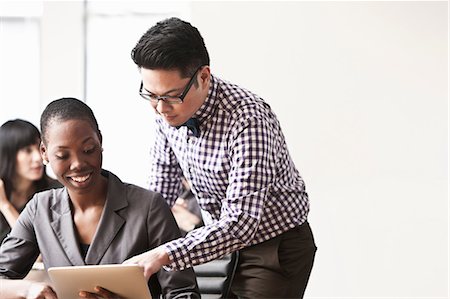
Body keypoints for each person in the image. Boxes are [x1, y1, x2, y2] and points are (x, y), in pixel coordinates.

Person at [125, 17, 317, 298]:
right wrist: (130, 249)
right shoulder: (166, 113)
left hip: (273, 246)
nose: (160, 109)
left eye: (171, 96)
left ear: (203, 76)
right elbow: (161, 193)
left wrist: (166, 253)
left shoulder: (248, 119)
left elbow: (240, 223)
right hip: (218, 242)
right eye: (151, 95)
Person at [0, 98, 200, 299]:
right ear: (44, 153)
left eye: (88, 150)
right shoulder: (39, 208)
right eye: (62, 155)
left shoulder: (148, 207)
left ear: (100, 142)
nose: (78, 164)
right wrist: (27, 289)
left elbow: (184, 294)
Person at [0, 119, 61, 244]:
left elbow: (41, 253)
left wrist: (5, 206)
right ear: (8, 155)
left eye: (39, 148)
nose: (38, 158)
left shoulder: (54, 192)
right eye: (28, 150)